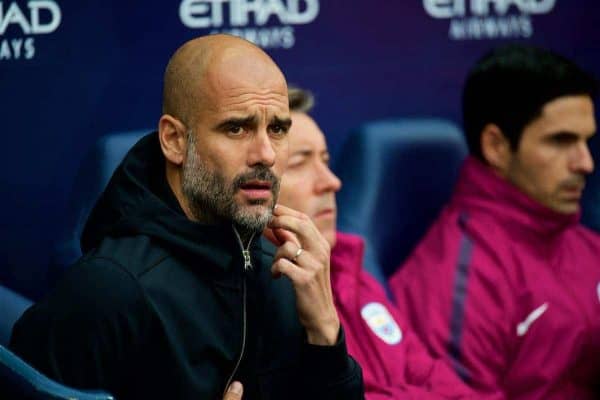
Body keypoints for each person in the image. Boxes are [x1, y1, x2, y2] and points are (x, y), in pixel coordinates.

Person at [9, 35, 363, 400]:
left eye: (277, 129)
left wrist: (325, 333)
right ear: (174, 140)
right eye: (236, 128)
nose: (266, 154)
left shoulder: (283, 274)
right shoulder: (108, 291)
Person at [389, 44, 600, 399]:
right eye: (561, 141)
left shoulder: (585, 244)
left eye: (586, 141)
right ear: (496, 146)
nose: (585, 163)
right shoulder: (456, 279)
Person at [273, 86, 475, 399]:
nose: (332, 181)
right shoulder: (258, 304)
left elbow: (440, 381)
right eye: (300, 163)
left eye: (325, 160)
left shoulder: (353, 270)